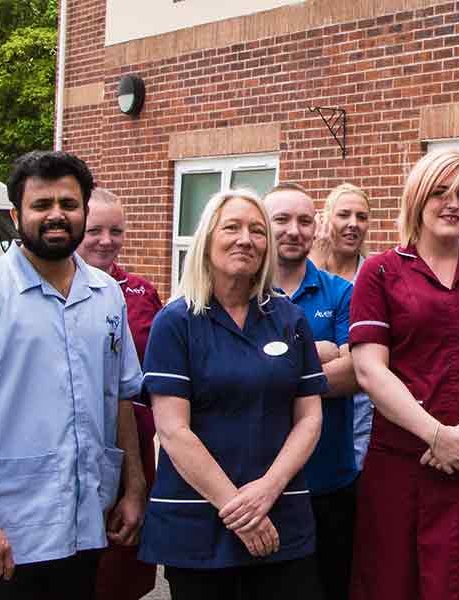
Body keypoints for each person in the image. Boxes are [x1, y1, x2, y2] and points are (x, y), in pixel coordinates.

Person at [0, 151, 147, 600]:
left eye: (68, 203)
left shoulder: (106, 297)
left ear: (83, 210)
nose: (56, 215)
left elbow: (120, 397)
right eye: (41, 205)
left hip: (86, 523)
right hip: (6, 532)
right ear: (15, 215)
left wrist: (134, 487)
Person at [347, 150, 459, 600]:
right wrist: (434, 435)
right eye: (440, 192)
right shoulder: (380, 272)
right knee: (393, 584)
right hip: (402, 463)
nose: (454, 204)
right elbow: (370, 369)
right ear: (417, 198)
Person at [138, 189, 329, 598]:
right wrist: (241, 511)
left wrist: (267, 491)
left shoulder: (289, 320)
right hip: (199, 524)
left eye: (258, 231)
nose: (246, 239)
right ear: (207, 238)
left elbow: (310, 418)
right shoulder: (175, 323)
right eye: (233, 228)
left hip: (281, 516)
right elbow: (173, 431)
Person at [266, 183, 363, 600]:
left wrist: (268, 372)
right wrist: (319, 352)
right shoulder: (236, 291)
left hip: (328, 480)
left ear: (315, 227)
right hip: (255, 479)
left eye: (304, 221)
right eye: (281, 220)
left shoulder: (340, 293)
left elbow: (356, 373)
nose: (294, 230)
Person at [76, 188, 164, 600]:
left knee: (122, 560)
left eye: (116, 230)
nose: (106, 240)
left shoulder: (142, 293)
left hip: (135, 435)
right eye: (94, 230)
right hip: (80, 435)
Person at [309, 183, 375, 469]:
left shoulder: (376, 276)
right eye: (343, 215)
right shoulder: (303, 275)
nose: (353, 225)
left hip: (364, 421)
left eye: (361, 217)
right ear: (325, 220)